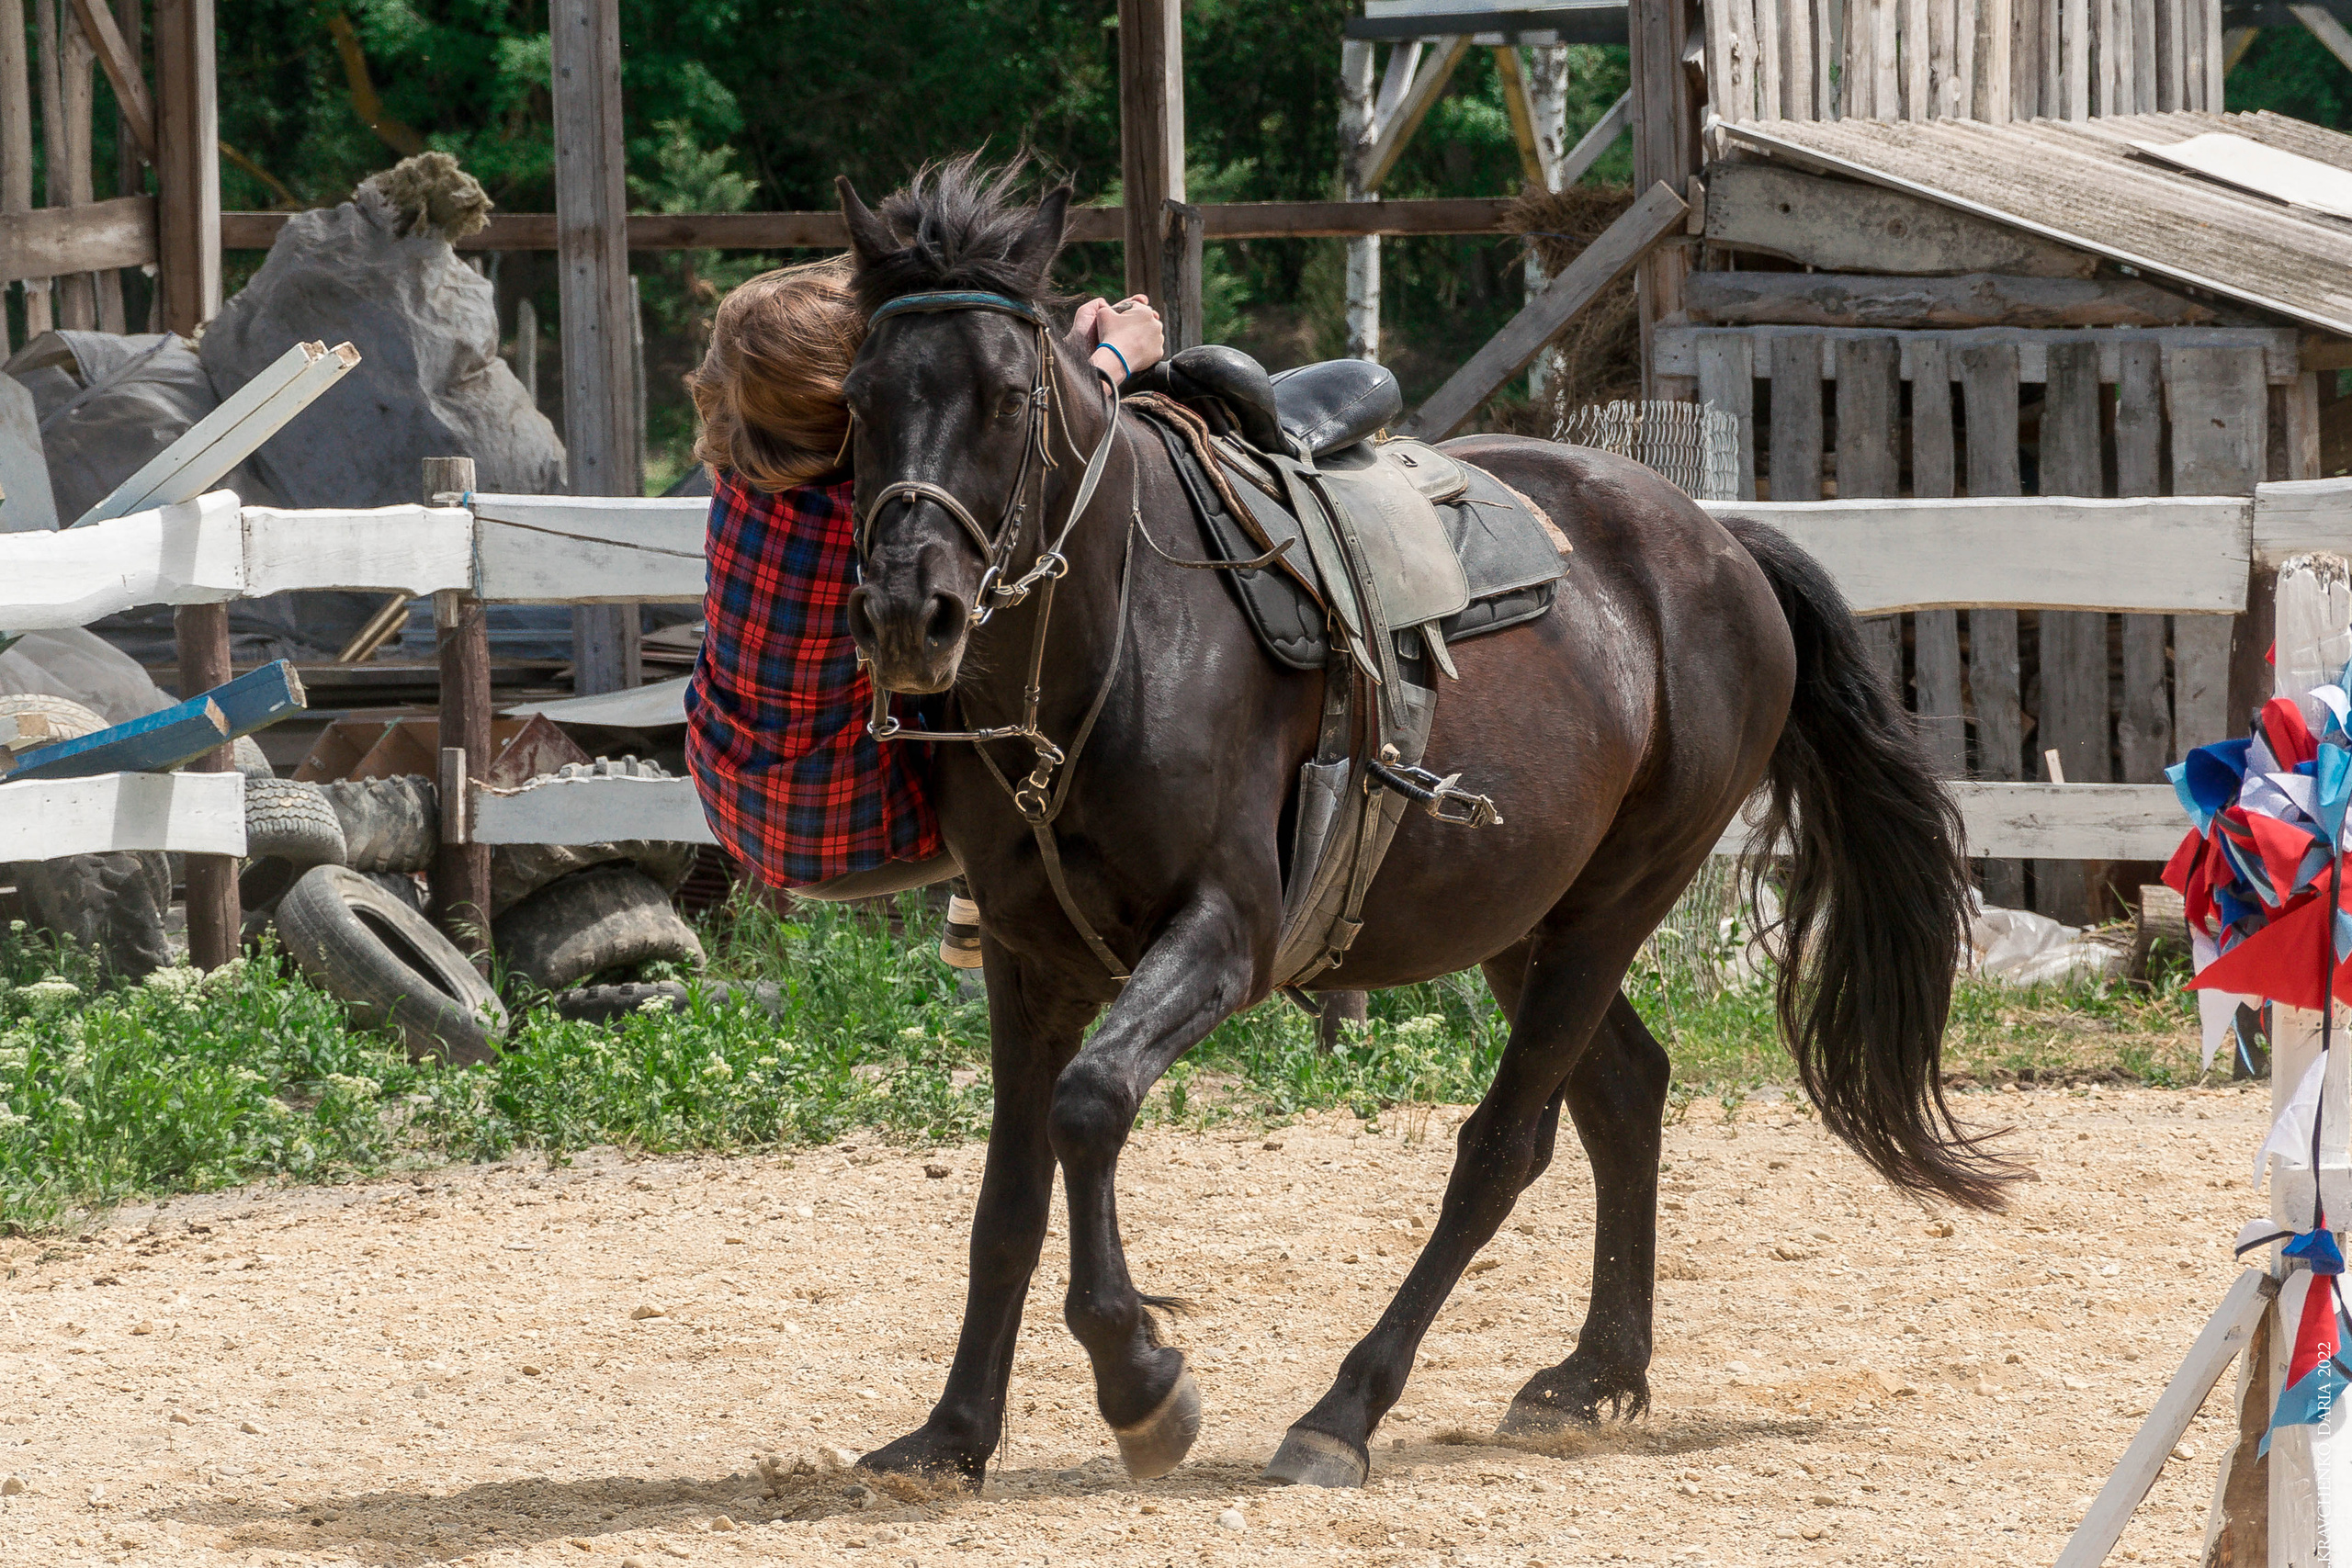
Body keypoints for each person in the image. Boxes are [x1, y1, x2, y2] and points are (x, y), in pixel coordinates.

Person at [683, 254, 1165, 908]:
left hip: (733, 808)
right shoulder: (871, 520)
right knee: (1007, 597)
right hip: (865, 839)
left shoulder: (739, 480)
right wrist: (1107, 365)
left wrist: (1072, 352)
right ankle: (987, 889)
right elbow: (1012, 453)